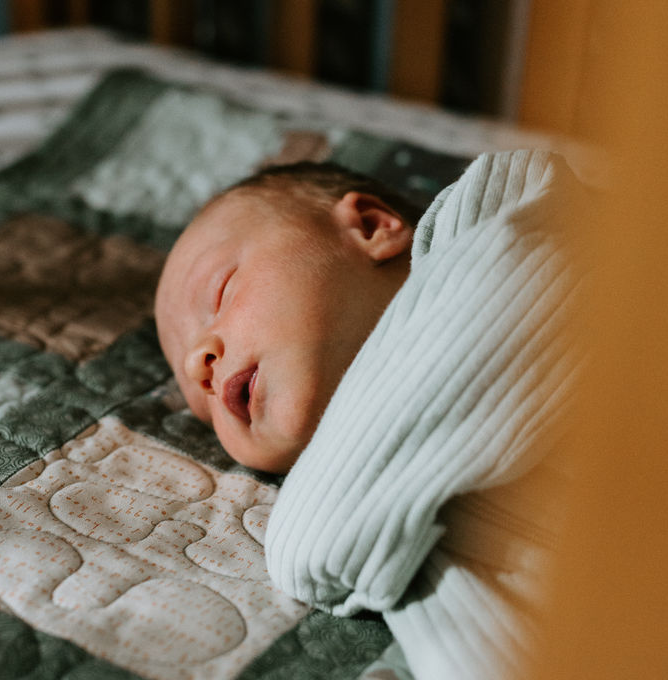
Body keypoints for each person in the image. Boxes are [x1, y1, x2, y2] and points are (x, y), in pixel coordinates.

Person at [154, 149, 587, 679]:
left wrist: (307, 536)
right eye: (201, 405)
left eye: (219, 293)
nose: (201, 361)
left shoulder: (506, 219)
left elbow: (319, 544)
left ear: (372, 226)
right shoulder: (414, 537)